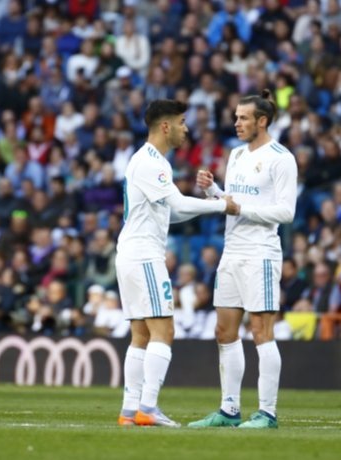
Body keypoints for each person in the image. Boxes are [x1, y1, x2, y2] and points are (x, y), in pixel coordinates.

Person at [115, 99, 239, 428]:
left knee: (140, 334)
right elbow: (178, 205)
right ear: (165, 126)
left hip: (131, 251)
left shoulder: (147, 161)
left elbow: (176, 211)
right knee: (164, 330)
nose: (187, 128)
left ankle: (129, 410)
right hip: (143, 253)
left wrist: (214, 203)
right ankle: (148, 407)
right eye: (182, 122)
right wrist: (220, 205)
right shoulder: (151, 162)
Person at [189, 90, 297, 429]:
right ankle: (229, 410)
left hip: (260, 254)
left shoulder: (281, 158)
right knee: (224, 331)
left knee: (261, 331)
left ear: (261, 121)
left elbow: (286, 211)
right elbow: (232, 201)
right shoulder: (235, 155)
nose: (236, 123)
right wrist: (212, 191)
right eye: (236, 117)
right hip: (231, 251)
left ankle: (267, 412)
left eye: (243, 118)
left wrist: (241, 207)